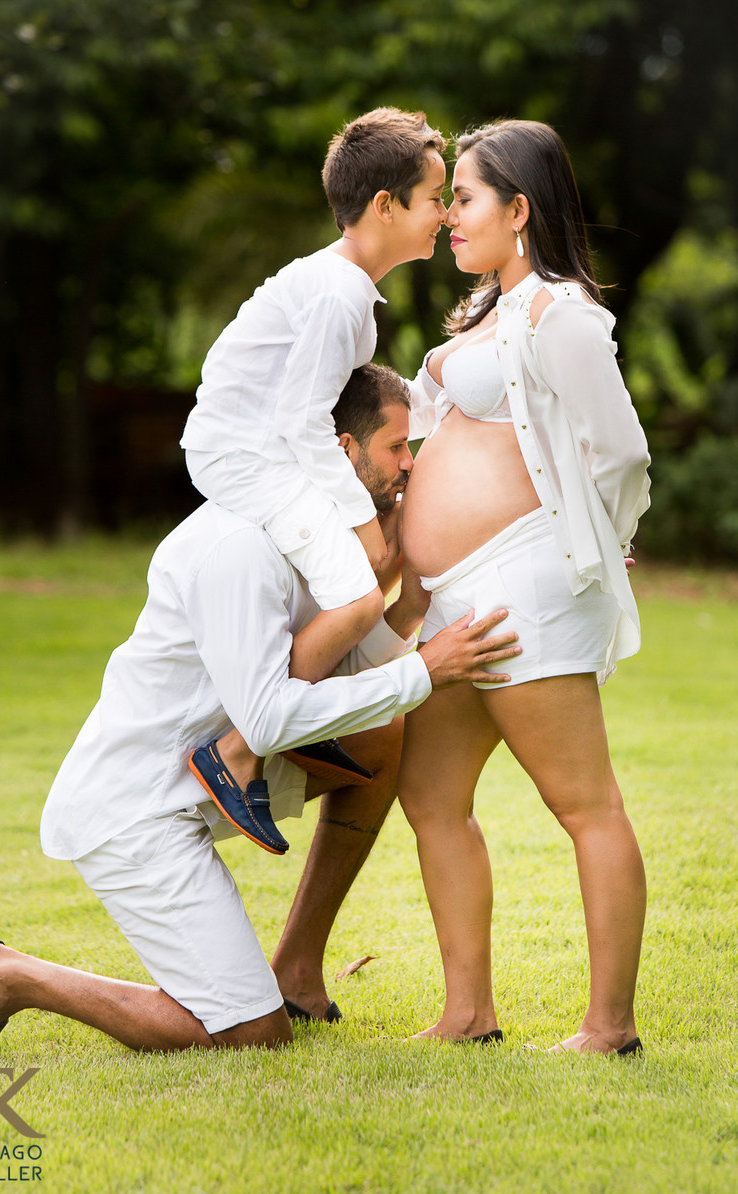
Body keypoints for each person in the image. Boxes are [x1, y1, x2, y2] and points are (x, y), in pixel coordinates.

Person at [0, 365, 522, 1058]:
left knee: (377, 741)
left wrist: (408, 611)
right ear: (342, 451)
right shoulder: (238, 545)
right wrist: (424, 670)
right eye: (397, 448)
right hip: (139, 809)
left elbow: (334, 677)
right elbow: (272, 718)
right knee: (250, 1034)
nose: (409, 466)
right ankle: (8, 976)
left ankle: (298, 971)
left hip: (214, 773)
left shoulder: (315, 533)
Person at [397, 120, 651, 1055]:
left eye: (462, 197)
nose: (449, 214)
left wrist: (599, 536)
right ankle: (467, 1013)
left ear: (519, 208)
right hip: (457, 595)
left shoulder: (558, 312)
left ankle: (608, 1027)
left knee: (584, 805)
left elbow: (619, 450)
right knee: (430, 796)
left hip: (524, 589)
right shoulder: (490, 311)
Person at [179, 108, 449, 853]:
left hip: (268, 449)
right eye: (435, 197)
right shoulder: (336, 294)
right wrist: (361, 525)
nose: (445, 213)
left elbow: (350, 407)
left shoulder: (348, 291)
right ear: (385, 207)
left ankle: (289, 725)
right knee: (363, 586)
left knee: (358, 580)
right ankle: (237, 752)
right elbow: (304, 422)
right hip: (246, 456)